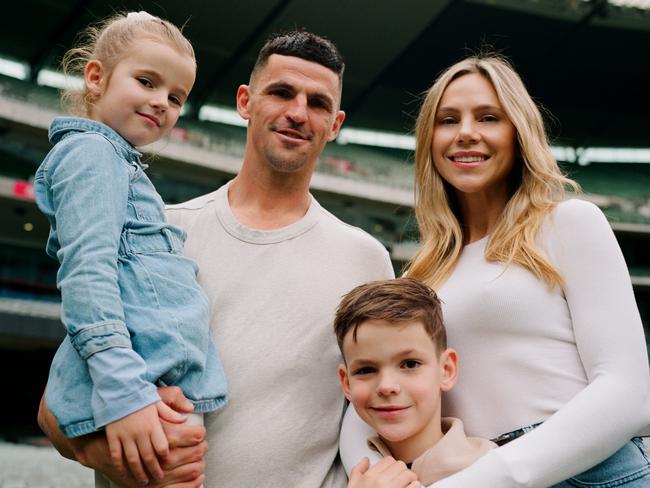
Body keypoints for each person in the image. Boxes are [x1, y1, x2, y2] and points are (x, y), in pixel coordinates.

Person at [39, 30, 397, 487]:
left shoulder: (366, 261)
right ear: (245, 101)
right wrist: (125, 459)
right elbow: (54, 406)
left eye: (318, 103)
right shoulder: (161, 233)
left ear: (336, 124)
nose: (297, 112)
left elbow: (379, 414)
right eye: (282, 92)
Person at [340, 54, 650, 487]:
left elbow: (628, 392)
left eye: (488, 117)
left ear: (518, 133)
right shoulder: (419, 276)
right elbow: (364, 392)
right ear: (430, 140)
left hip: (585, 472)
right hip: (467, 469)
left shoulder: (569, 224)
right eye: (448, 120)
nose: (466, 133)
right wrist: (372, 473)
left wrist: (484, 478)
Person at [33, 11, 227, 487]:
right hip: (136, 388)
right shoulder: (91, 154)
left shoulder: (119, 163)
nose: (161, 102)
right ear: (96, 77)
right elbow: (87, 272)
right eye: (147, 81)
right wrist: (125, 394)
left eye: (176, 96)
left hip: (157, 384)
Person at [335, 278, 495, 487]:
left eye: (410, 364)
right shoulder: (345, 476)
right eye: (366, 370)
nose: (386, 386)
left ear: (446, 370)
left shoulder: (490, 469)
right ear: (347, 384)